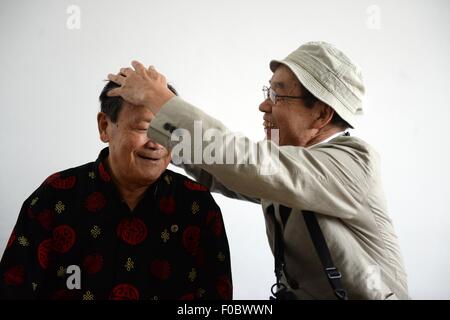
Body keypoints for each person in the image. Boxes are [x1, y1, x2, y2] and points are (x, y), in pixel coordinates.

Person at [106, 41, 410, 300]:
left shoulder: (355, 162)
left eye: (278, 95)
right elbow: (223, 172)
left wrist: (160, 100)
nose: (264, 106)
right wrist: (153, 139)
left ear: (321, 114)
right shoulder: (290, 170)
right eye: (268, 91)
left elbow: (249, 164)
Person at [0, 81, 232, 300]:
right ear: (104, 127)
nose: (156, 143)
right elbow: (13, 290)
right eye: (144, 128)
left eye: (167, 132)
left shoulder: (196, 206)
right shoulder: (55, 196)